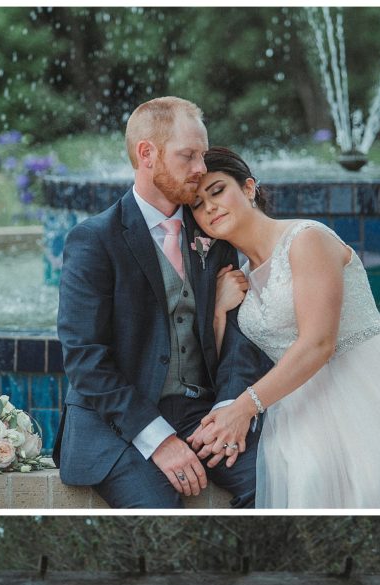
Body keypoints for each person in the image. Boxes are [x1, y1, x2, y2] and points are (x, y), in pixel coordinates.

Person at [187, 147, 380, 509]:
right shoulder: (236, 272)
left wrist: (244, 408)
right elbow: (223, 360)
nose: (209, 207)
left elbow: (319, 343)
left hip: (367, 385)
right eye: (196, 203)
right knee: (307, 477)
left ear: (248, 188)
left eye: (217, 191)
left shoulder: (306, 239)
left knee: (374, 481)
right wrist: (218, 311)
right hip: (301, 402)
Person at [52, 99, 270, 508]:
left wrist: (227, 409)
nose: (201, 169)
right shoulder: (94, 240)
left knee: (276, 481)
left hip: (201, 412)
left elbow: (242, 335)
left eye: (202, 156)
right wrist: (159, 440)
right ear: (146, 154)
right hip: (116, 424)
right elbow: (85, 360)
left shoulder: (212, 230)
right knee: (160, 512)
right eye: (187, 156)